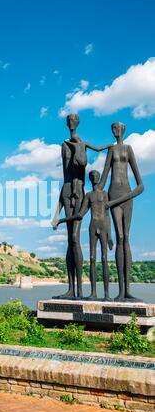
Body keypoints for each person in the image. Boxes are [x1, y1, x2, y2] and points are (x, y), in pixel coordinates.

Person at [52, 113, 113, 299]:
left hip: (78, 193)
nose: (71, 123)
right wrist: (57, 212)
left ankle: (80, 290)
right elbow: (65, 176)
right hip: (67, 190)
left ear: (77, 123)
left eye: (74, 121)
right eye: (69, 121)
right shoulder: (63, 146)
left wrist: (78, 143)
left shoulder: (80, 144)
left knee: (75, 238)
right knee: (70, 242)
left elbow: (81, 163)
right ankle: (71, 289)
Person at [98, 122, 144, 301]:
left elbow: (140, 185)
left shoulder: (128, 149)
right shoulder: (111, 150)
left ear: (123, 130)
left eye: (118, 128)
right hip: (113, 193)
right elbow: (103, 178)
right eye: (113, 128)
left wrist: (120, 200)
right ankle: (120, 291)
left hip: (125, 196)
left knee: (126, 238)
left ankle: (128, 291)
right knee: (120, 238)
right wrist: (93, 196)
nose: (115, 131)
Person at [54, 170, 113, 301]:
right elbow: (80, 214)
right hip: (93, 226)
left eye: (96, 176)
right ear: (90, 179)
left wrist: (109, 235)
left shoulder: (104, 194)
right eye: (92, 176)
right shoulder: (88, 195)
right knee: (92, 258)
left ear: (99, 178)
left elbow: (107, 215)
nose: (94, 178)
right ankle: (93, 293)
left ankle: (107, 294)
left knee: (104, 259)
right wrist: (61, 220)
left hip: (103, 226)